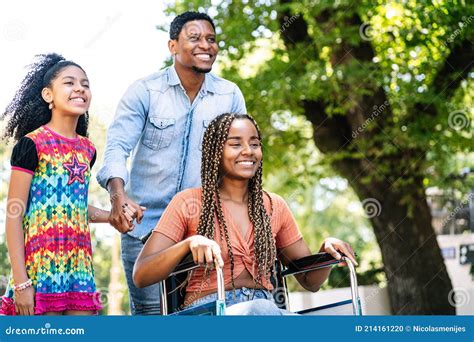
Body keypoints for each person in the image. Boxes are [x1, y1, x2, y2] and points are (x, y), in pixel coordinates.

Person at [133, 113, 358, 315]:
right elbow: (141, 274)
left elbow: (310, 282)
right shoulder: (188, 202)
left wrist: (327, 253)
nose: (248, 151)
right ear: (215, 153)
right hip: (209, 311)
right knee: (259, 310)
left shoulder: (273, 206)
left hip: (266, 309)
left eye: (254, 143)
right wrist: (189, 243)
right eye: (235, 144)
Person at [96, 11, 246, 315]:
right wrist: (118, 199)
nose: (206, 45)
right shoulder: (145, 91)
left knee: (205, 315)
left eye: (211, 39)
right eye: (195, 38)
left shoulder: (229, 95)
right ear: (173, 46)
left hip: (203, 234)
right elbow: (117, 147)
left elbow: (239, 161)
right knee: (152, 318)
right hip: (145, 230)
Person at [0, 53, 110, 316]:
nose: (80, 88)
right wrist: (21, 282)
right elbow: (14, 215)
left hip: (80, 271)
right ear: (48, 95)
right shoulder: (32, 144)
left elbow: (74, 206)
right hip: (40, 271)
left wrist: (113, 217)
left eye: (85, 83)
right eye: (69, 83)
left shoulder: (88, 150)